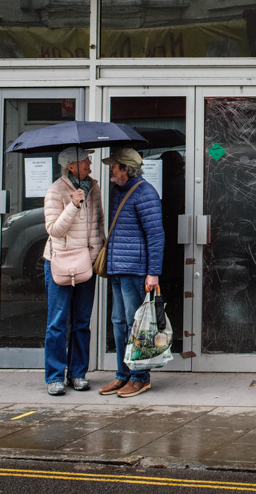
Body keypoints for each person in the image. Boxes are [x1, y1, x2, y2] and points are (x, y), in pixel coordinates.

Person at [99, 147, 164, 398]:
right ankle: (122, 374)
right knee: (118, 323)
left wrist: (153, 272)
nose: (110, 170)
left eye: (114, 166)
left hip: (135, 270)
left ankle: (140, 377)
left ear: (126, 168)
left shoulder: (145, 192)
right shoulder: (118, 191)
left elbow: (156, 236)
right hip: (117, 268)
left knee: (136, 325)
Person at [42, 147, 103, 396]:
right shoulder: (56, 191)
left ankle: (78, 373)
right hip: (61, 263)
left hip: (86, 264)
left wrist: (99, 255)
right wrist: (73, 205)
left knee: (82, 322)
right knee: (57, 323)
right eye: (84, 160)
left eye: (89, 159)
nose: (89, 163)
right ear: (70, 166)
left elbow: (98, 224)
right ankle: (55, 376)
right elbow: (53, 230)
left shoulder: (94, 188)